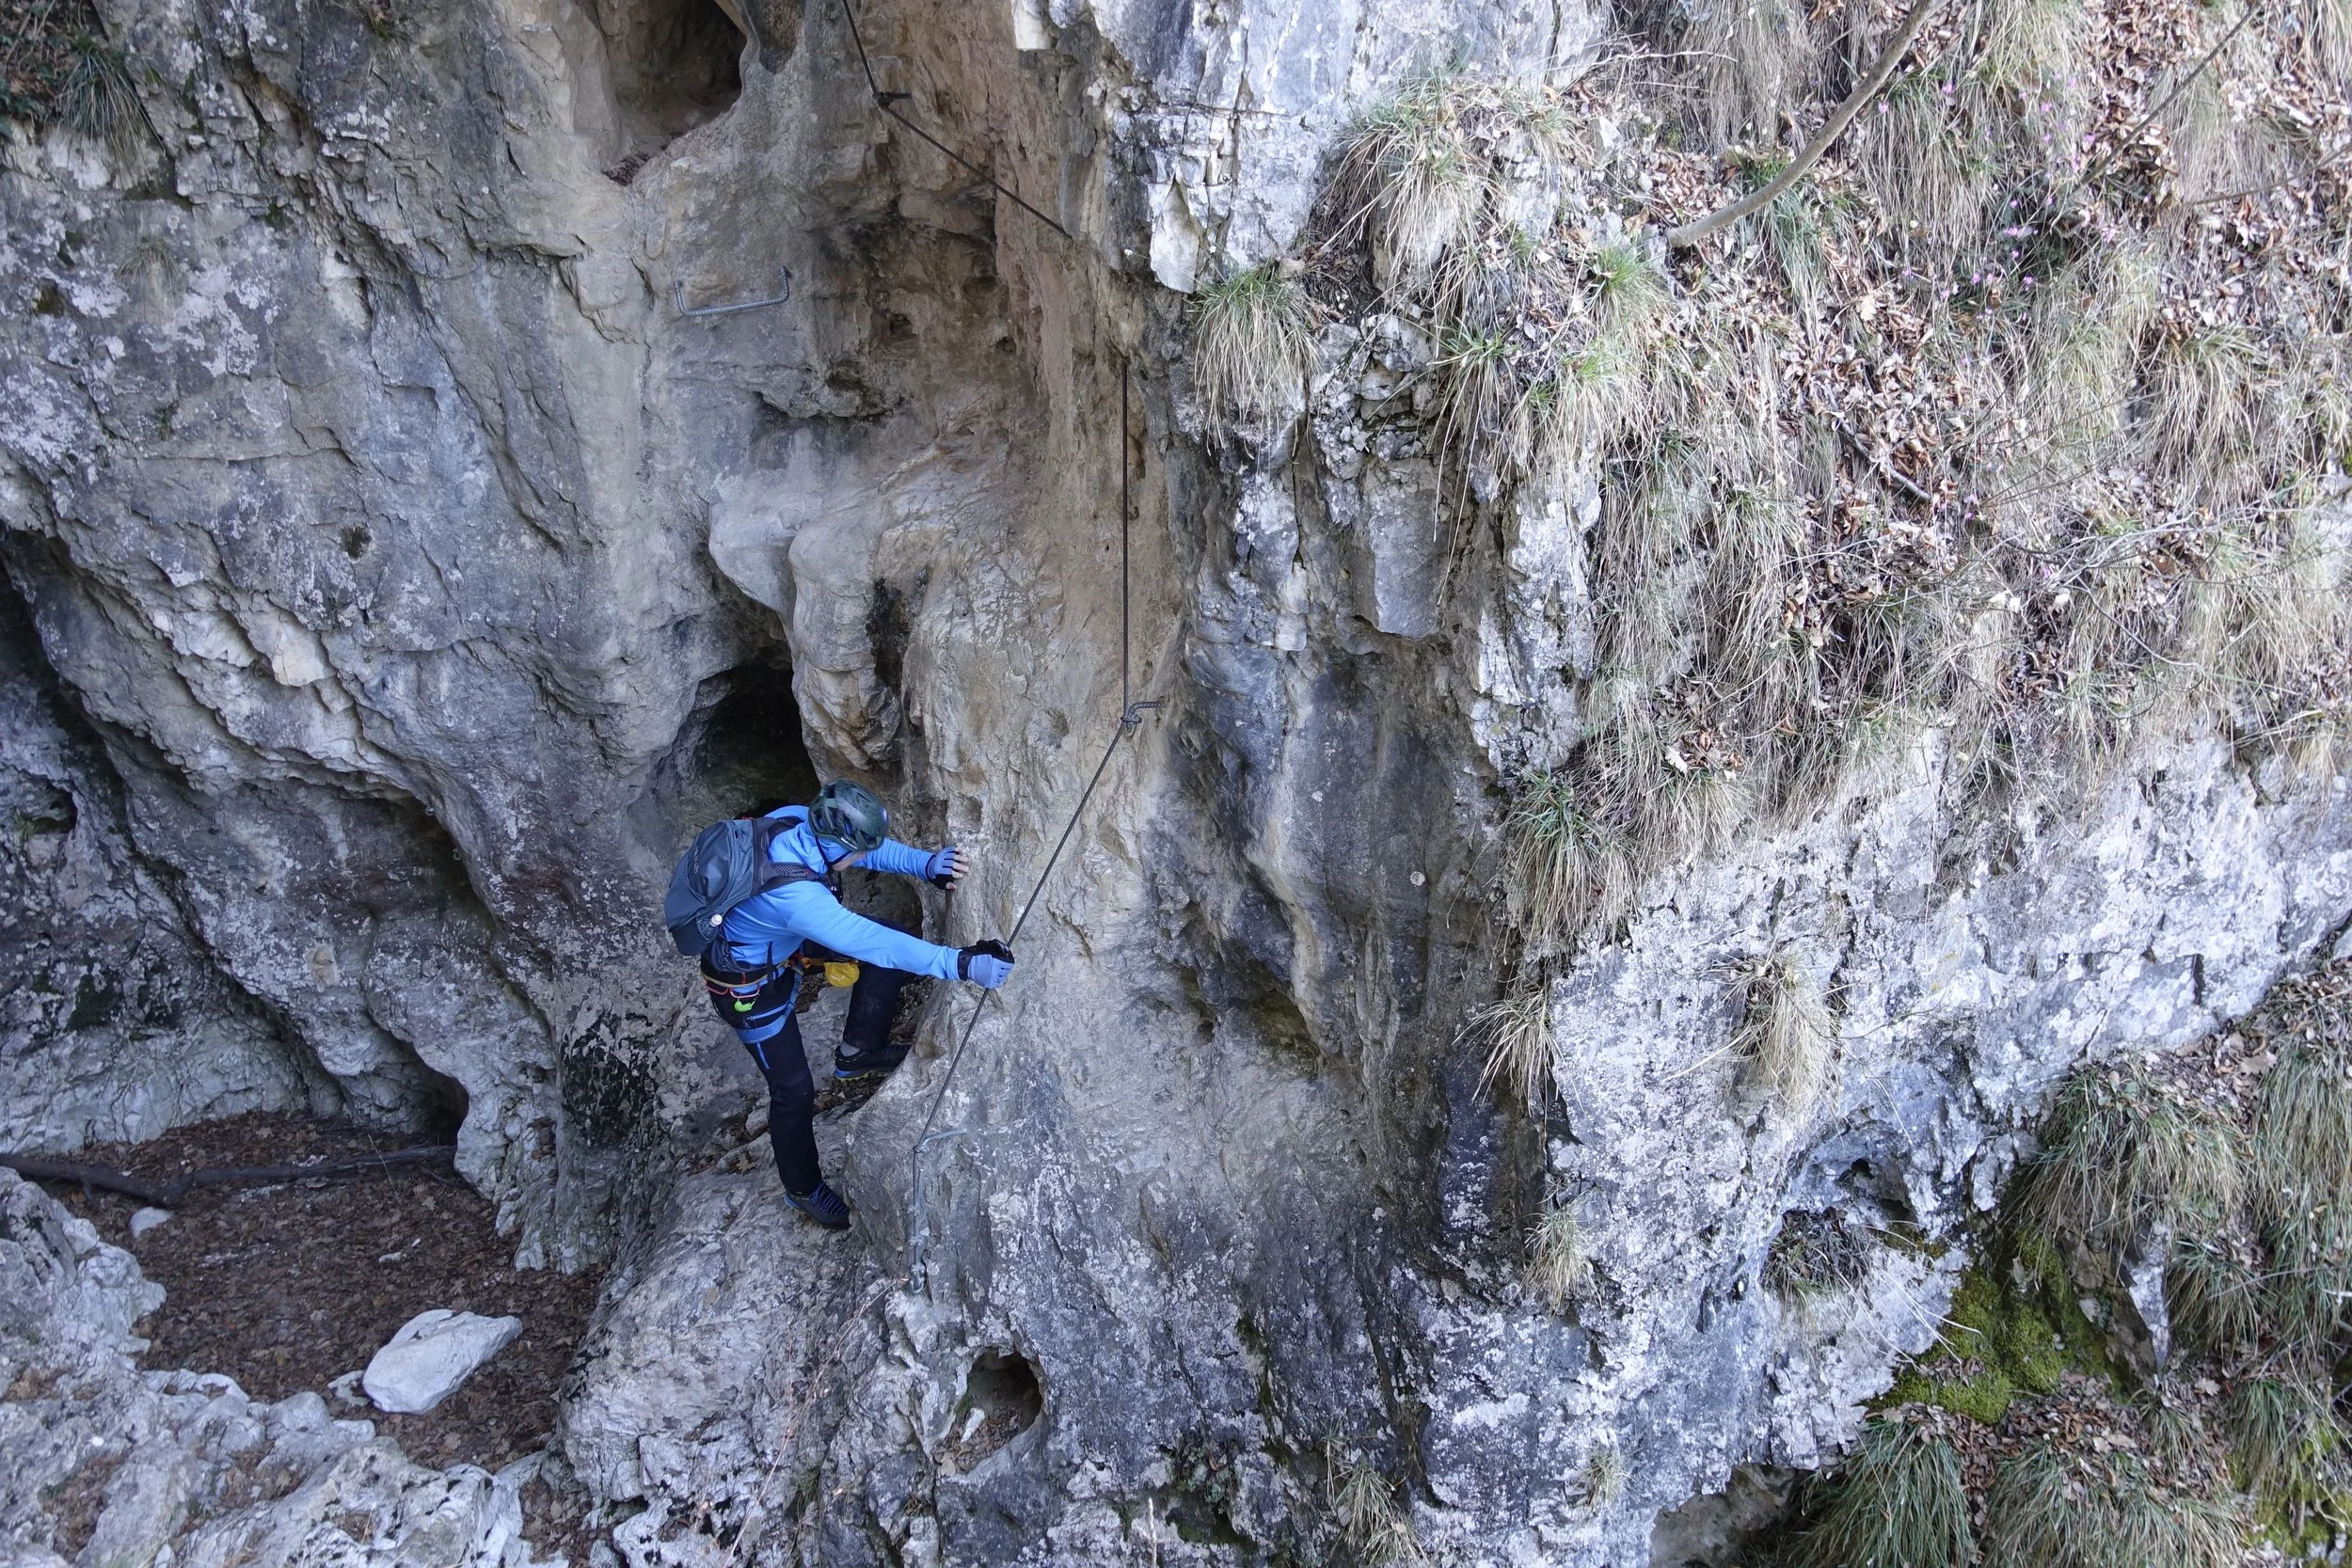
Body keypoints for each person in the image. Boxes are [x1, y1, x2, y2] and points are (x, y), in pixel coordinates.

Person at [701, 781, 1014, 1228]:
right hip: (747, 988)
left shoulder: (795, 817)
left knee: (883, 942)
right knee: (793, 1092)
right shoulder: (798, 897)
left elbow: (868, 851)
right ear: (832, 848)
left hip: (778, 942)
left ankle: (859, 1052)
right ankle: (802, 1189)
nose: (859, 860)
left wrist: (924, 865)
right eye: (853, 853)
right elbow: (874, 944)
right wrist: (960, 964)